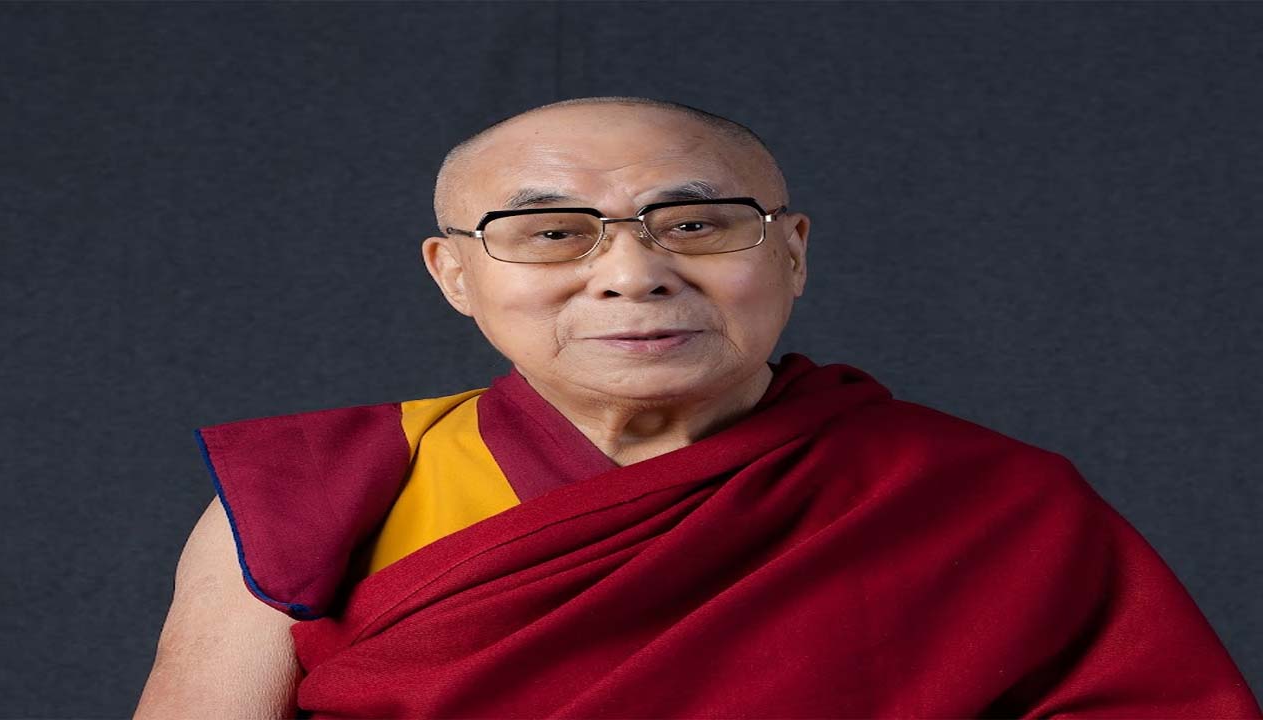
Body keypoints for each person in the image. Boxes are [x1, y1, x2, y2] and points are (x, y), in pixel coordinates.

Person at [135, 96, 1262, 718]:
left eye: (697, 225)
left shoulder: (985, 501)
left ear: (792, 252)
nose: (632, 275)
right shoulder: (317, 496)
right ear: (455, 274)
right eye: (550, 232)